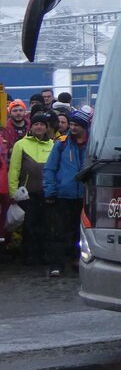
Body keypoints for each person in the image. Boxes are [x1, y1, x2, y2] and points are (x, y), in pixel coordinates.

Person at [44, 108, 91, 273]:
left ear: (84, 127)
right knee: (60, 231)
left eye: (76, 125)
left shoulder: (93, 144)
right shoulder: (62, 143)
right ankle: (57, 264)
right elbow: (50, 168)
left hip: (85, 196)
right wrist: (50, 191)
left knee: (82, 233)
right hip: (64, 195)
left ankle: (79, 261)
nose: (73, 127)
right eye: (71, 124)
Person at [9, 112, 55, 273]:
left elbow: (55, 170)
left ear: (46, 127)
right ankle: (29, 256)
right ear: (31, 126)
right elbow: (14, 170)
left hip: (46, 193)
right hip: (26, 193)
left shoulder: (53, 145)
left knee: (45, 225)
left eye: (42, 124)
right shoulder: (20, 145)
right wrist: (12, 192)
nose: (39, 127)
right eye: (36, 124)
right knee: (29, 226)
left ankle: (44, 255)